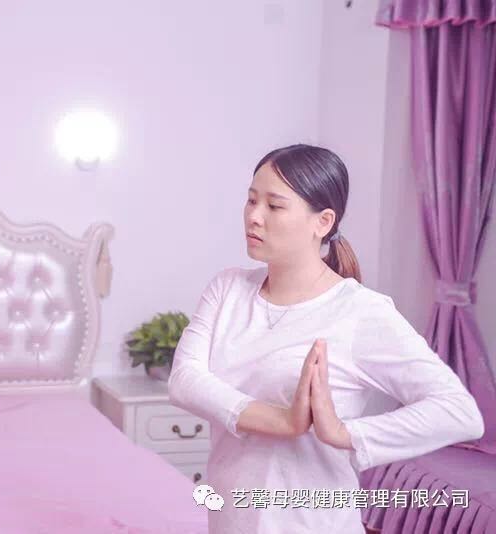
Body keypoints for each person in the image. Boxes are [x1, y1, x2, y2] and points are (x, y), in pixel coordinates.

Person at [167, 144, 485, 534]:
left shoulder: (361, 312)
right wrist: (280, 420)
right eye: (251, 200)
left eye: (274, 206)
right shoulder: (227, 289)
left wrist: (345, 434)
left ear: (323, 221)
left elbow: (459, 413)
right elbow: (185, 380)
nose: (254, 216)